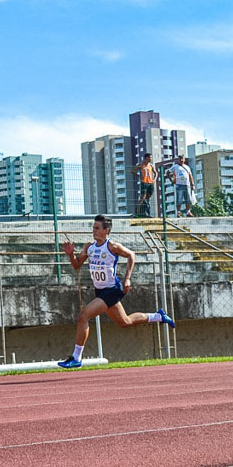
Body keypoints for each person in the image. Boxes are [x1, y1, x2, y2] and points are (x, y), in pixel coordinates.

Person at [58, 214, 175, 368]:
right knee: (125, 322)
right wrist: (71, 255)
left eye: (97, 228)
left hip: (113, 290)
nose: (93, 231)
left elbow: (131, 255)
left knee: (83, 316)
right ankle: (158, 316)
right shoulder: (89, 247)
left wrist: (127, 278)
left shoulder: (112, 246)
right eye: (93, 228)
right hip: (100, 291)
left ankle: (76, 357)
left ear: (106, 230)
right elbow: (76, 265)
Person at [133, 153, 157, 218]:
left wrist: (154, 179)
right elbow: (133, 171)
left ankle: (147, 212)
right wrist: (139, 176)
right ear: (146, 158)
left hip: (150, 183)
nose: (151, 159)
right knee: (142, 197)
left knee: (148, 198)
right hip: (144, 182)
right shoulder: (141, 165)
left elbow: (156, 173)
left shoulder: (151, 166)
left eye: (151, 157)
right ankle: (137, 212)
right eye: (150, 157)